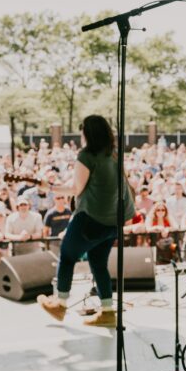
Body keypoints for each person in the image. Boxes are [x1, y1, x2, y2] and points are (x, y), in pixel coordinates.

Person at [38, 115, 134, 328]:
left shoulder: (86, 156)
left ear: (88, 134)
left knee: (67, 256)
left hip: (91, 219)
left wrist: (50, 188)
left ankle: (59, 304)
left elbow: (75, 189)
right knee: (98, 264)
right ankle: (108, 311)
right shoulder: (114, 155)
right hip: (113, 222)